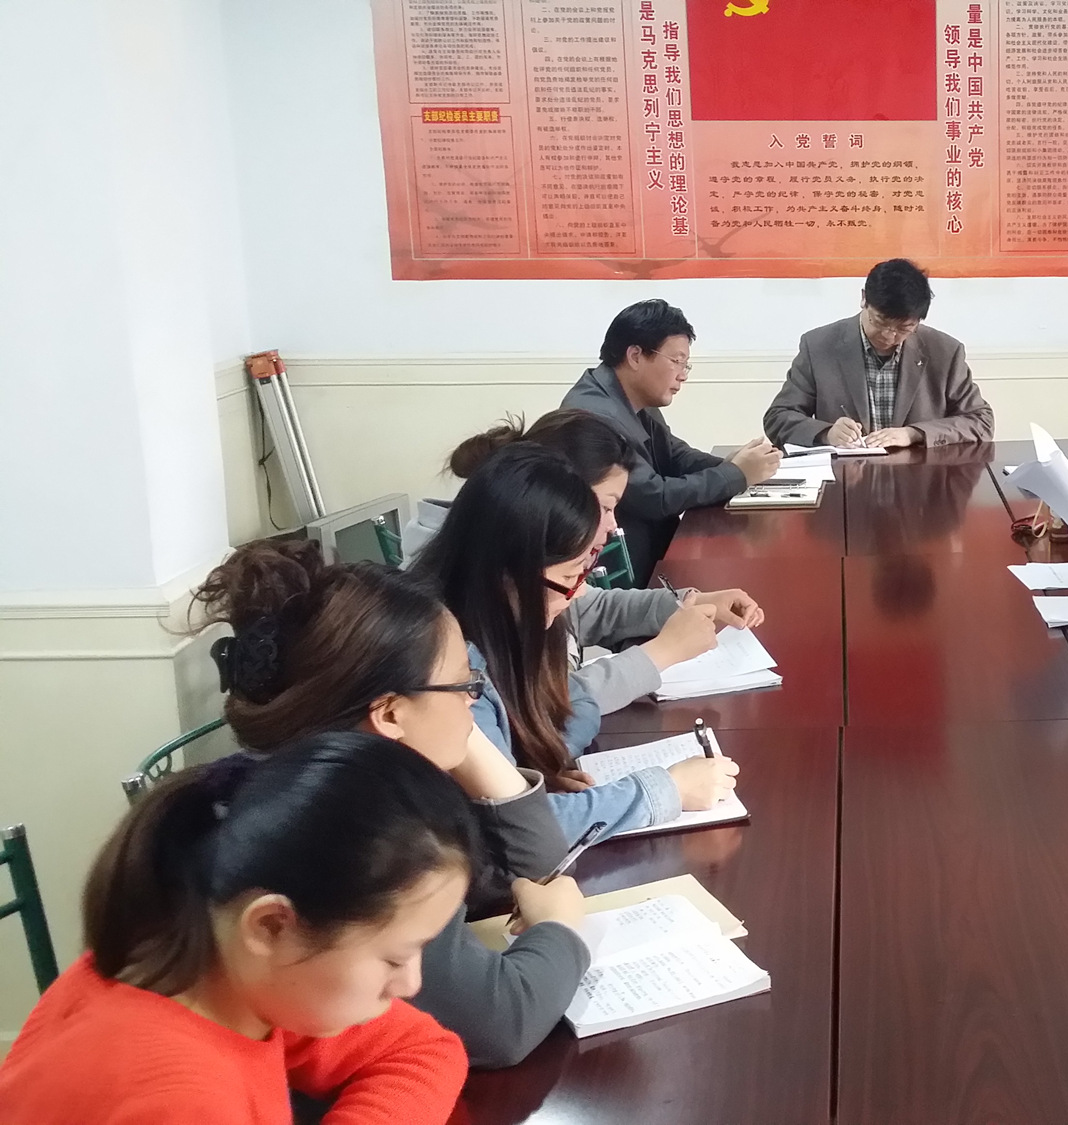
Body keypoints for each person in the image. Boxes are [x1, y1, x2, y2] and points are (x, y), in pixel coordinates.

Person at [186, 539, 590, 1068]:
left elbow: (536, 869)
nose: (475, 699)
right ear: (391, 714)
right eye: (464, 682)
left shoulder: (342, 782)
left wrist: (453, 729)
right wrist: (560, 929)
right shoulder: (357, 835)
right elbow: (501, 1023)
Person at [0, 734, 476, 1121]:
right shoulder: (179, 1100)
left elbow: (423, 1050)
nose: (411, 984)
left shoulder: (214, 977)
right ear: (271, 926)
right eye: (395, 958)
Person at [412, 443, 741, 840]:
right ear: (507, 572)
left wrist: (534, 767)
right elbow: (520, 835)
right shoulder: (447, 667)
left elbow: (572, 705)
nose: (579, 594)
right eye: (571, 577)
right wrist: (667, 790)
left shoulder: (512, 617)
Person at [414, 410, 763, 718]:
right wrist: (661, 652)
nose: (612, 525)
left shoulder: (516, 564)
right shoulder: (450, 626)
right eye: (606, 506)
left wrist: (692, 602)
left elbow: (589, 609)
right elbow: (544, 710)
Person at [563, 299, 783, 580]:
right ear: (635, 356)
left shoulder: (629, 394)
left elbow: (674, 454)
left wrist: (732, 465)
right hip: (625, 573)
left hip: (653, 551)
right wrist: (736, 474)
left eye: (686, 364)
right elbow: (654, 497)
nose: (683, 375)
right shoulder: (595, 415)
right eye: (677, 361)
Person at [762, 258, 993, 450]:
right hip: (845, 480)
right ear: (864, 299)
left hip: (922, 479)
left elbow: (981, 421)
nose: (889, 336)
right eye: (880, 322)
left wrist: (914, 434)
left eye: (903, 328)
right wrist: (826, 433)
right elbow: (778, 418)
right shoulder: (819, 346)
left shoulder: (944, 351)